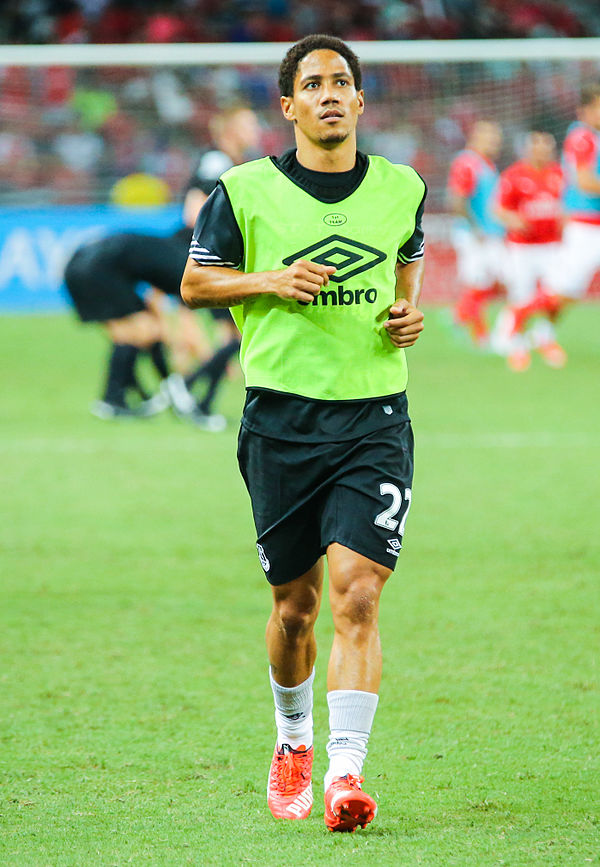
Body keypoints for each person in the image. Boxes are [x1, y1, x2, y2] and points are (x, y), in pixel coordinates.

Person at [181, 34, 425, 832]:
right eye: (312, 83)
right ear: (288, 106)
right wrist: (271, 283)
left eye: (341, 82)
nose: (329, 93)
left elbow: (409, 256)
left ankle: (345, 774)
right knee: (296, 607)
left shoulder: (402, 186)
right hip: (281, 421)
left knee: (359, 592)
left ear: (359, 102)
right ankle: (293, 742)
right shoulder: (243, 191)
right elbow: (195, 282)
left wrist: (405, 310)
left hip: (375, 417)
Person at [63, 228, 225, 430]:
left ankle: (119, 398)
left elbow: (153, 301)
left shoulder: (169, 252)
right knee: (142, 332)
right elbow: (188, 328)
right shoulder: (186, 272)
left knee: (135, 333)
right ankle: (151, 393)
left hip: (76, 267)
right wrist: (201, 356)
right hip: (98, 270)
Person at [182, 106, 262, 417]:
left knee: (233, 339)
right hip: (205, 258)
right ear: (230, 129)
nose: (255, 130)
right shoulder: (216, 161)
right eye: (249, 123)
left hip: (214, 257)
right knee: (235, 338)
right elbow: (193, 210)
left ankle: (198, 399)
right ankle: (187, 389)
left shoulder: (229, 162)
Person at [491, 131, 566, 371]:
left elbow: (567, 204)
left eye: (547, 146)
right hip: (522, 248)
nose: (543, 151)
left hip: (552, 246)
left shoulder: (559, 173)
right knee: (521, 297)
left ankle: (545, 338)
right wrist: (515, 221)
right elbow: (498, 209)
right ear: (528, 149)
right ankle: (518, 347)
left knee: (555, 297)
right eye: (538, 146)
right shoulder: (514, 175)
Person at [447, 119, 506, 344]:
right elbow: (457, 200)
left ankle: (460, 313)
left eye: (496, 138)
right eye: (490, 137)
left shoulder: (487, 164)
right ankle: (480, 335)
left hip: (491, 234)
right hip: (475, 235)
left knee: (495, 282)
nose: (495, 142)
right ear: (476, 137)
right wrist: (475, 230)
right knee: (479, 282)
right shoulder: (466, 163)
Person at [560, 83, 600, 301]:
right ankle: (515, 320)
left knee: (567, 290)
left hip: (591, 222)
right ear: (585, 110)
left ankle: (539, 332)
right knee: (565, 290)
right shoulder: (582, 137)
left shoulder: (591, 136)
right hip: (585, 223)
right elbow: (585, 182)